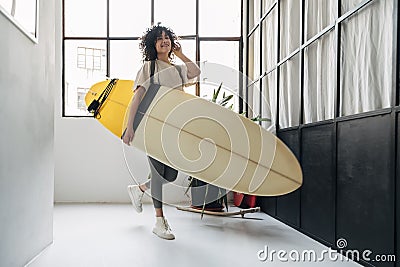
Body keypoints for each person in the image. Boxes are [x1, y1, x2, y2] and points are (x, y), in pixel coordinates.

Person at [122, 25, 201, 240]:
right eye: (159, 39)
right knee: (158, 174)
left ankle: (139, 189)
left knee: (172, 174)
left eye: (167, 38)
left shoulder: (176, 70)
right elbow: (136, 99)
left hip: (173, 129)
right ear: (153, 44)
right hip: (152, 127)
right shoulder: (149, 67)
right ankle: (159, 221)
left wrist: (179, 52)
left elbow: (196, 72)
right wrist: (130, 128)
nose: (164, 41)